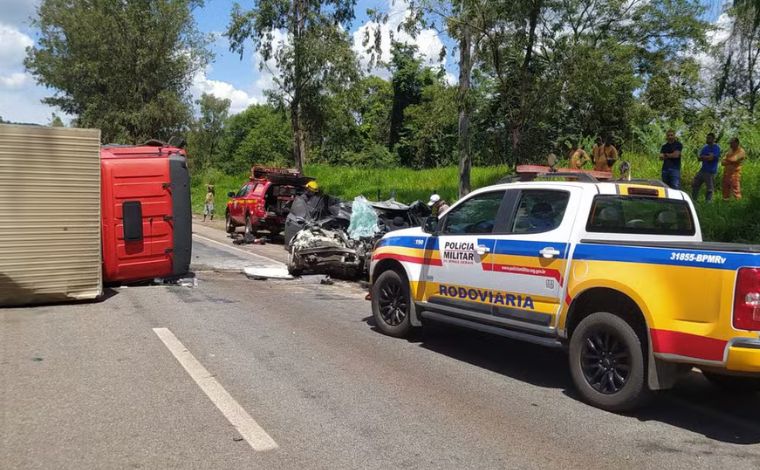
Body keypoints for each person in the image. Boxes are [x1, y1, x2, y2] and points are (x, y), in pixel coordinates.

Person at [691, 132, 720, 202]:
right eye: (707, 138)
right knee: (695, 184)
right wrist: (707, 156)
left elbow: (711, 158)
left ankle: (708, 202)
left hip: (710, 171)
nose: (707, 139)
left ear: (713, 139)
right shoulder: (704, 148)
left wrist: (705, 157)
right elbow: (699, 158)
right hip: (702, 170)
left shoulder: (716, 148)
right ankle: (694, 200)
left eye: (709, 138)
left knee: (709, 189)